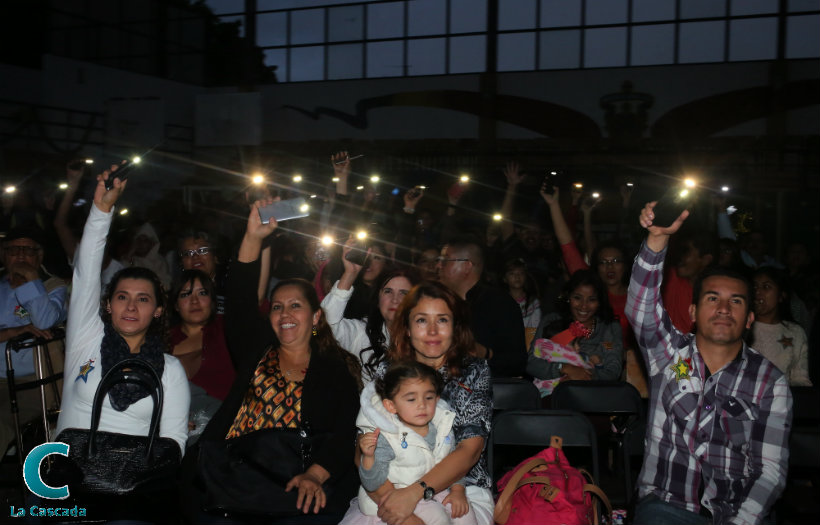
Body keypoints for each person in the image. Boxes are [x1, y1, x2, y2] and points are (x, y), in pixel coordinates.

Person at [181, 198, 361, 523]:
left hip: (300, 484)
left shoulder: (337, 367)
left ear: (317, 317)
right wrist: (252, 237)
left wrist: (316, 475)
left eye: (295, 306)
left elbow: (347, 431)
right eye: (277, 307)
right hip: (233, 479)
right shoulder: (257, 349)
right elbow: (239, 300)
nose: (285, 314)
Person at [626, 201, 792, 525]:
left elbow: (770, 472)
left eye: (736, 301)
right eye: (712, 298)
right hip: (666, 506)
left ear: (749, 319)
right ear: (692, 312)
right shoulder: (672, 359)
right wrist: (657, 240)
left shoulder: (769, 382)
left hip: (738, 512)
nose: (724, 309)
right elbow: (641, 311)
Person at [54, 166, 190, 519]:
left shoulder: (171, 370)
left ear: (158, 310)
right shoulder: (86, 341)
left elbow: (174, 444)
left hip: (136, 493)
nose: (130, 306)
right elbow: (86, 271)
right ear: (107, 304)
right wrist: (101, 211)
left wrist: (134, 481)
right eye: (122, 297)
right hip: (68, 485)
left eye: (143, 299)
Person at [339, 281, 494, 525]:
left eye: (442, 320)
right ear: (408, 328)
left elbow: (469, 450)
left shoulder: (472, 372)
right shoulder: (388, 371)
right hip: (389, 485)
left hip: (460, 488)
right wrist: (400, 506)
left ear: (454, 326)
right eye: (422, 320)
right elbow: (363, 449)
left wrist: (414, 493)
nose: (432, 331)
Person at [355, 361, 475, 525]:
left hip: (433, 490)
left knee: (463, 514)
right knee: (437, 517)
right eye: (411, 399)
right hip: (397, 495)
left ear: (437, 399)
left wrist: (458, 490)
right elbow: (371, 483)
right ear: (391, 405)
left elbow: (453, 464)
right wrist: (368, 458)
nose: (422, 405)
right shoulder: (388, 436)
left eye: (429, 397)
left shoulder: (442, 427)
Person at [0, 226, 68, 454]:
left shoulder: (54, 287)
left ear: (39, 257)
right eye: (13, 250)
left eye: (28, 250)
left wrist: (30, 280)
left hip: (33, 383)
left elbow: (45, 321)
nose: (20, 255)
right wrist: (12, 332)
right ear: (3, 255)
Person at [322, 241, 420, 383]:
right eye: (388, 291)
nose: (395, 299)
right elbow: (323, 327)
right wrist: (350, 274)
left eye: (404, 293)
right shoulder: (362, 332)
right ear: (378, 298)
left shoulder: (427, 334)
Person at [436, 238, 527, 377]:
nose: (438, 266)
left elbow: (517, 362)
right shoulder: (439, 302)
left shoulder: (498, 304)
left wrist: (483, 353)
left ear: (467, 266)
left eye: (445, 261)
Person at [526, 269, 623, 397]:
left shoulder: (608, 327)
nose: (584, 306)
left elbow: (613, 370)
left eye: (591, 299)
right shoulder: (553, 321)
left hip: (593, 394)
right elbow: (531, 363)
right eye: (577, 298)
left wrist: (583, 375)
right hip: (553, 394)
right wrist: (564, 369)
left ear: (599, 302)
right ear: (568, 297)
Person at [169, 270, 235, 441]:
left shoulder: (228, 331)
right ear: (175, 304)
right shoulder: (160, 342)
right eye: (185, 294)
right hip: (172, 439)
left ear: (213, 301)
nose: (194, 301)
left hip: (224, 436)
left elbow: (254, 298)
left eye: (202, 293)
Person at [750, 266, 812, 386]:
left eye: (766, 287)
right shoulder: (741, 326)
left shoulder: (794, 332)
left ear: (781, 296)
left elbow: (800, 379)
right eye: (754, 287)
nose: (757, 292)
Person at [502, 258, 541, 348]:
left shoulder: (533, 303)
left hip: (528, 346)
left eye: (521, 273)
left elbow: (535, 329)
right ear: (504, 278)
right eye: (512, 273)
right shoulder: (501, 302)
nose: (517, 277)